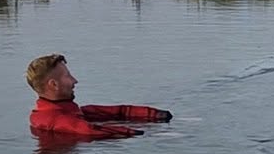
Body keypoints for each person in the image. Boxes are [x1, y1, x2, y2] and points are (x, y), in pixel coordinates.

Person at [26, 53, 173, 141]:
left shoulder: (70, 111)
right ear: (54, 85)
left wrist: (155, 114)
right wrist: (137, 133)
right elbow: (87, 130)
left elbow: (119, 111)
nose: (75, 80)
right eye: (68, 76)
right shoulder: (51, 119)